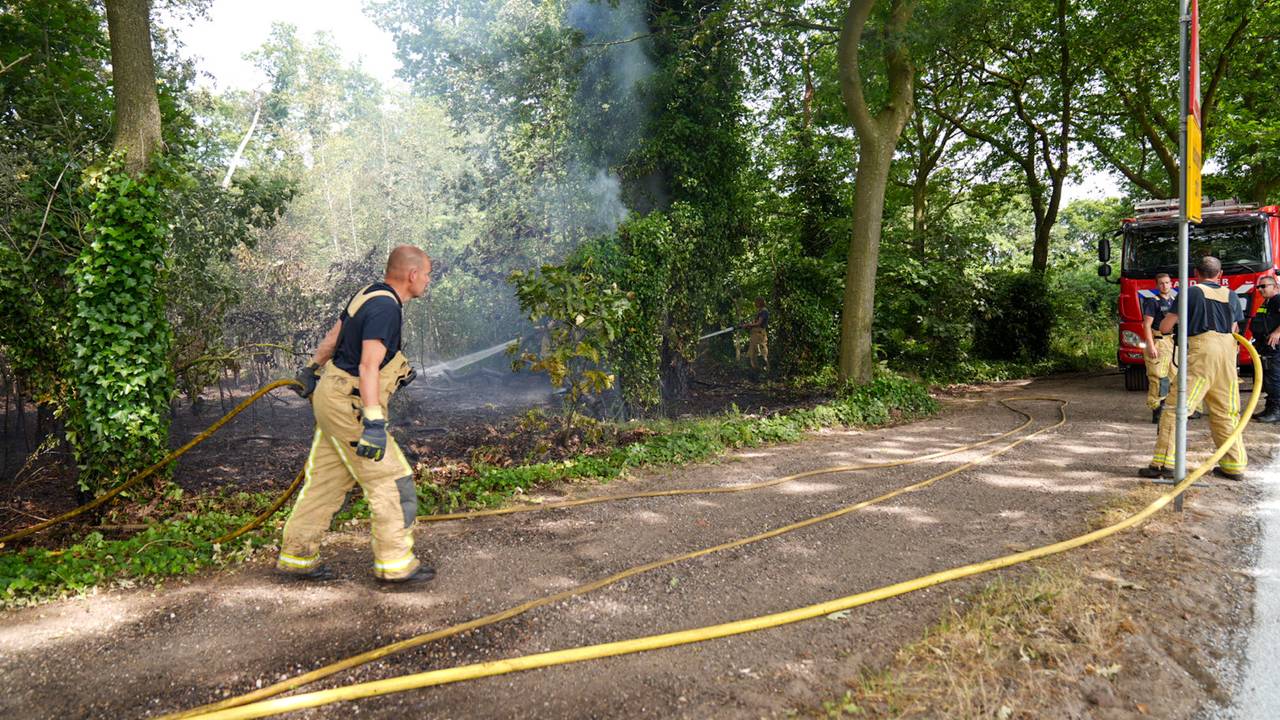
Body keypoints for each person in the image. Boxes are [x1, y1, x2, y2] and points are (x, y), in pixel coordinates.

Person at [278, 245, 435, 583]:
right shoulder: (386, 309)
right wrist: (374, 422)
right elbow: (368, 366)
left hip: (331, 396)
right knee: (392, 479)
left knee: (325, 482)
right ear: (412, 275)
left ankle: (297, 555)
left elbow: (334, 337)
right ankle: (395, 564)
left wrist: (310, 369)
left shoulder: (368, 293)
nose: (427, 280)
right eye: (426, 274)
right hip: (349, 405)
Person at [1139, 256, 1247, 481]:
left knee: (1176, 407)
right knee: (1225, 411)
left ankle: (1163, 464)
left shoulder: (1191, 293)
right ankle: (1234, 465)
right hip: (1228, 352)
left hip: (1202, 351)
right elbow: (1235, 326)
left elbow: (1166, 325)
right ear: (1220, 274)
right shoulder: (1232, 295)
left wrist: (1172, 329)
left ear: (1196, 273)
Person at [1141, 273, 1177, 423]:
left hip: (1173, 342)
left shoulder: (1175, 301)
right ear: (1157, 285)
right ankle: (1157, 411)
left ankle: (1170, 410)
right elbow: (1147, 325)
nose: (1165, 286)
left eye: (1167, 283)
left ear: (1171, 284)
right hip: (1159, 342)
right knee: (1158, 378)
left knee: (1174, 377)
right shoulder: (1152, 302)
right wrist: (1150, 345)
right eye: (1161, 283)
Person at [1249, 275, 1280, 422]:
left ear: (1275, 287)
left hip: (1275, 349)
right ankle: (1269, 408)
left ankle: (1276, 411)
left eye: (1264, 286)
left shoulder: (1277, 300)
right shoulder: (1267, 303)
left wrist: (1277, 332)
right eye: (1258, 287)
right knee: (1268, 380)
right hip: (1265, 347)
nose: (1260, 289)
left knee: (1274, 379)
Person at [739, 297, 769, 371]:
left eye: (756, 302)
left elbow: (759, 323)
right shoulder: (759, 311)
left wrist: (749, 325)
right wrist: (746, 326)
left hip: (759, 334)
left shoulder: (764, 311)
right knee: (752, 354)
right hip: (754, 335)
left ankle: (765, 370)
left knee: (761, 354)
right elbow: (754, 324)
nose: (755, 304)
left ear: (760, 302)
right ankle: (757, 371)